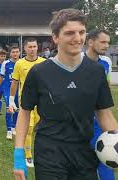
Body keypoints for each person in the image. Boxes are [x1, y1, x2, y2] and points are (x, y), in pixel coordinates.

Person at [13, 9, 118, 180]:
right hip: (49, 151)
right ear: (55, 37)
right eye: (69, 33)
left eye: (81, 32)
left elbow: (104, 114)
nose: (77, 38)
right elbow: (24, 113)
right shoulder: (39, 72)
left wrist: (116, 142)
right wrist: (19, 155)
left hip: (84, 151)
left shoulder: (96, 71)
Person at [9, 38, 45, 168]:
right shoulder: (19, 63)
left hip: (42, 101)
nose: (32, 49)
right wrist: (11, 101)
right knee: (28, 129)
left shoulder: (44, 63)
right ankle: (28, 156)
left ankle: (43, 153)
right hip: (26, 101)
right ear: (24, 49)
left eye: (34, 46)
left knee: (41, 128)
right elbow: (14, 82)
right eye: (29, 47)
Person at [84, 29, 115, 180]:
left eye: (108, 42)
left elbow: (106, 86)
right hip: (78, 120)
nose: (106, 46)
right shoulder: (77, 61)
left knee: (107, 155)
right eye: (103, 42)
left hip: (99, 119)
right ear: (90, 42)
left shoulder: (106, 62)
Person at [0, 46, 20, 139]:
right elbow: (1, 77)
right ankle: (9, 130)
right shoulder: (5, 64)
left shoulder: (22, 63)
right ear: (10, 54)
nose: (15, 54)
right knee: (9, 108)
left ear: (19, 53)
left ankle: (14, 127)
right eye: (13, 52)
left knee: (17, 109)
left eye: (17, 52)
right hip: (7, 89)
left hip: (19, 89)